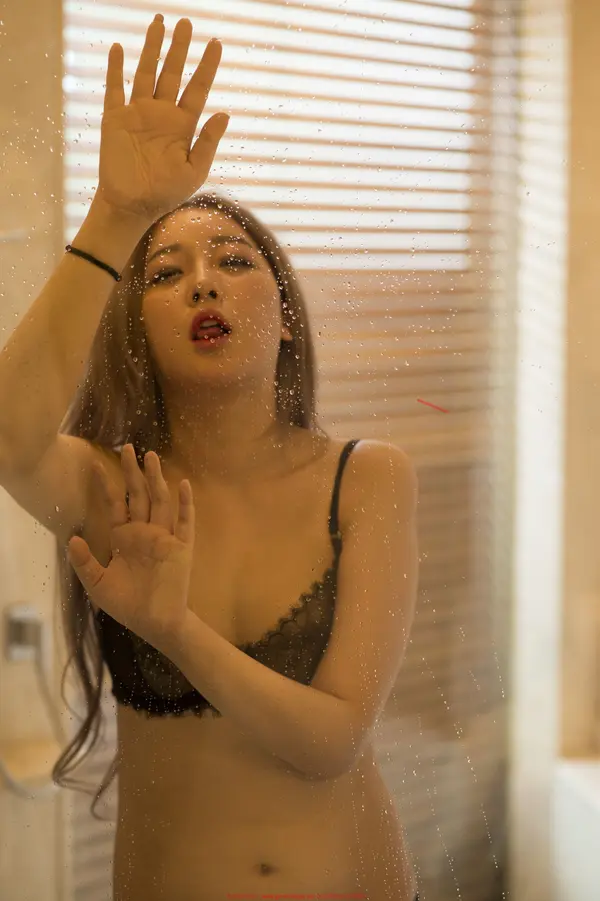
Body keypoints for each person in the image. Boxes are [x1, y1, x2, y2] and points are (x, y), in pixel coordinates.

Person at [0, 14, 419, 901]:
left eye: (234, 261)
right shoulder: (112, 488)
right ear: (138, 332)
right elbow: (8, 435)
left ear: (286, 318)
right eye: (165, 273)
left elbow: (335, 741)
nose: (203, 282)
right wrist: (117, 216)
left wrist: (173, 630)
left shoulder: (367, 478)